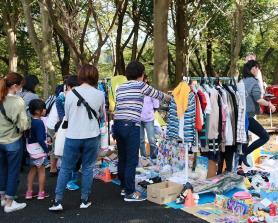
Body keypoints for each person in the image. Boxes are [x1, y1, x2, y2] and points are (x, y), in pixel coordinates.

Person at [49, 64, 105, 211]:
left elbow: (67, 116)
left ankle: (57, 201)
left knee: (65, 168)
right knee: (87, 168)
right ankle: (84, 200)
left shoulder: (70, 94)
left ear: (80, 76)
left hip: (73, 136)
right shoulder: (99, 94)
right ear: (95, 76)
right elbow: (101, 115)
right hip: (92, 136)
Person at [113, 61, 170, 202]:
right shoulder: (141, 85)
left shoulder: (120, 88)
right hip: (131, 125)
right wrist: (174, 99)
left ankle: (123, 187)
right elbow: (159, 95)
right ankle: (130, 193)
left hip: (118, 124)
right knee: (132, 160)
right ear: (141, 74)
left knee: (123, 157)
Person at [0, 72, 30, 213]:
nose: (20, 89)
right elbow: (23, 125)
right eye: (20, 86)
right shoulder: (17, 101)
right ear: (14, 86)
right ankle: (10, 203)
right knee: (13, 171)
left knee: (2, 169)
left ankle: (2, 197)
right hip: (12, 140)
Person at [240, 60, 276, 167]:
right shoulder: (253, 82)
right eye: (257, 68)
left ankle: (240, 162)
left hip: (240, 115)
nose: (258, 70)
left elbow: (247, 98)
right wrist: (270, 104)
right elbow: (258, 99)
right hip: (247, 117)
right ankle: (244, 154)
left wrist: (257, 110)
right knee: (265, 136)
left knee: (244, 140)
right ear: (253, 68)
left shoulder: (242, 81)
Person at [26, 99, 49, 200]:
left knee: (32, 171)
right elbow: (40, 138)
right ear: (37, 111)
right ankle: (41, 192)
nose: (45, 110)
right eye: (43, 109)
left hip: (30, 150)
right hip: (39, 150)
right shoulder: (39, 123)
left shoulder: (29, 121)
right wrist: (46, 149)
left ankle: (29, 192)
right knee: (41, 171)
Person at [140, 75, 160, 159]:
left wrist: (150, 112)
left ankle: (154, 157)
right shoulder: (136, 90)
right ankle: (143, 156)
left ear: (146, 80)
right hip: (138, 119)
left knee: (151, 139)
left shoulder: (151, 91)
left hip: (149, 119)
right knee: (140, 140)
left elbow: (156, 105)